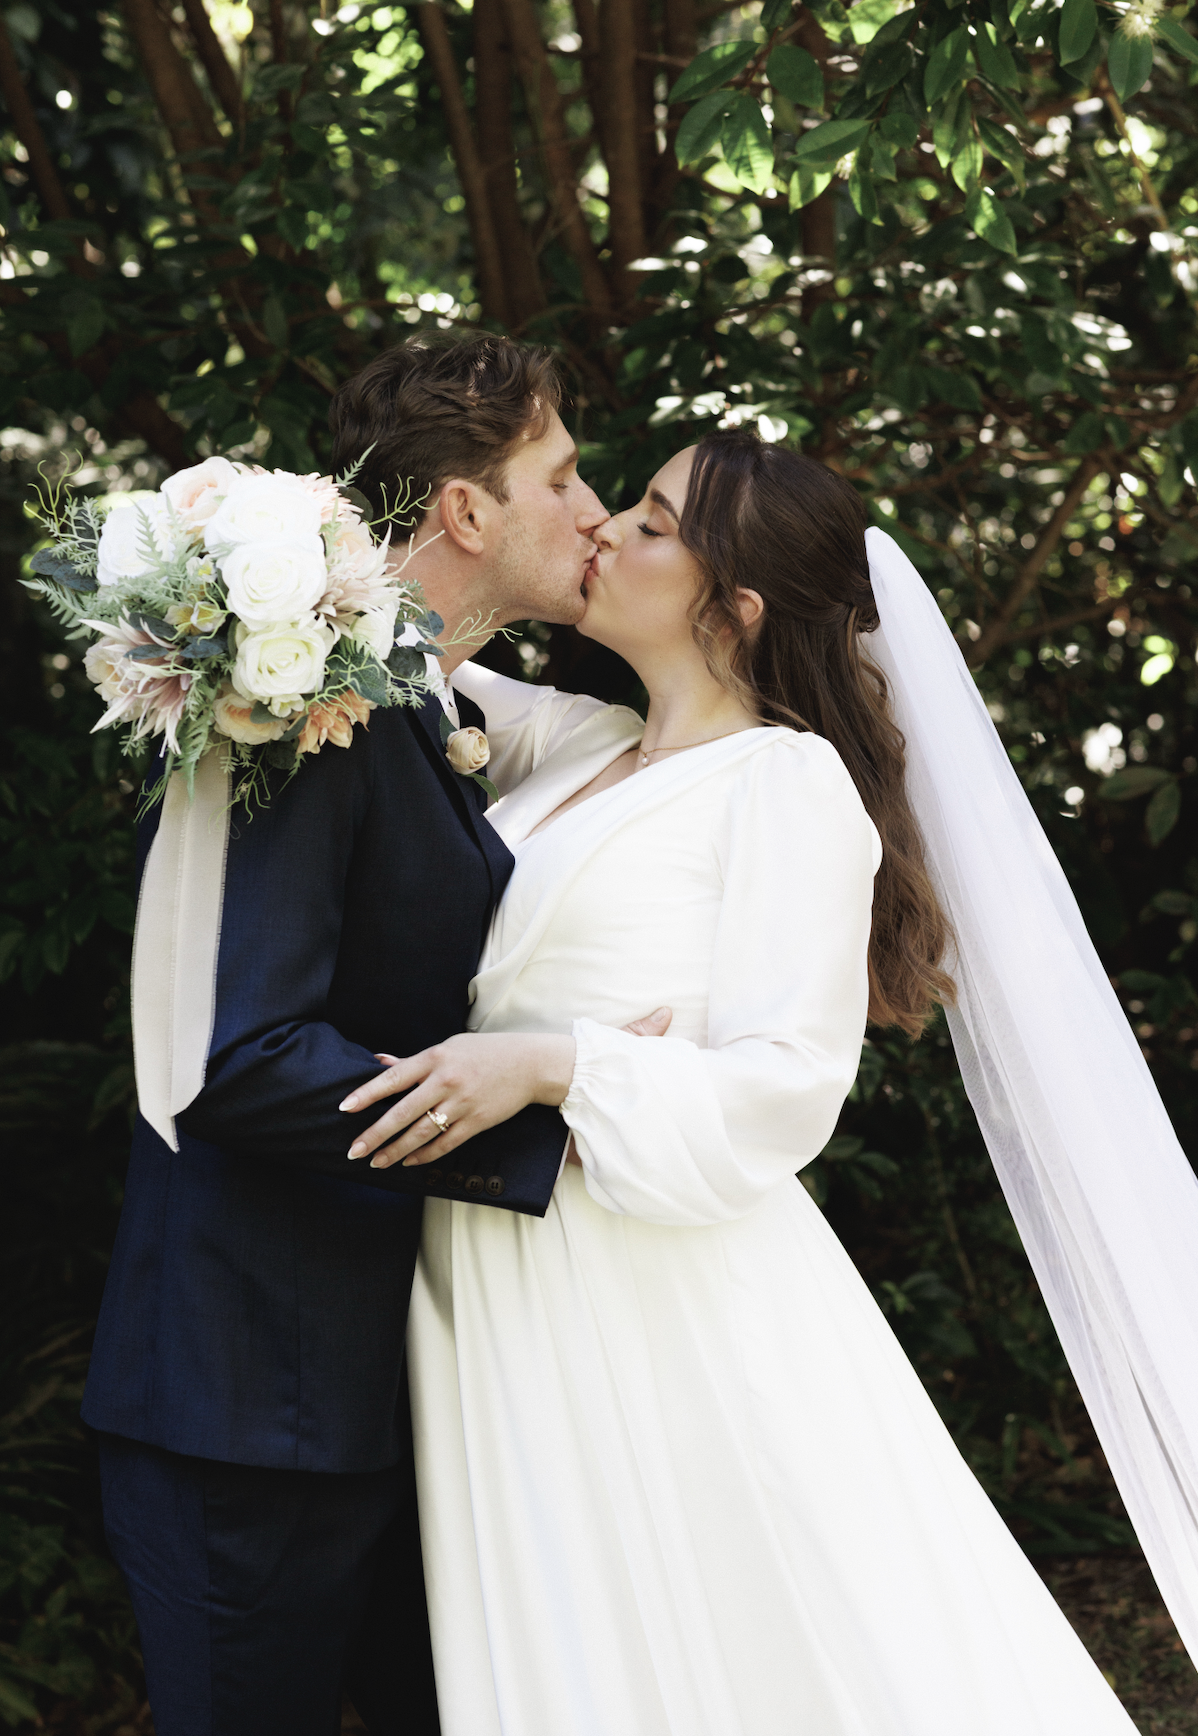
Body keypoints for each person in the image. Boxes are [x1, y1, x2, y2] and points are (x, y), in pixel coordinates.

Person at [342, 428, 1148, 1732]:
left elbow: (783, 1085)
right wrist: (255, 575)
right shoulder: (575, 746)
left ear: (736, 606)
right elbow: (395, 654)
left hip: (652, 1279)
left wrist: (556, 1060)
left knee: (759, 1632)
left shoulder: (783, 782)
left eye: (651, 523)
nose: (604, 529)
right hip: (501, 1266)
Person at [81, 334, 615, 1736]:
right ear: (465, 510)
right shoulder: (299, 710)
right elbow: (230, 1059)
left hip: (387, 1396)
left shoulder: (423, 704)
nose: (594, 512)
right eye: (561, 476)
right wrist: (552, 1123)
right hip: (246, 1410)